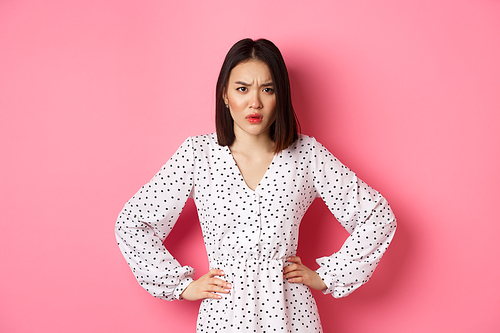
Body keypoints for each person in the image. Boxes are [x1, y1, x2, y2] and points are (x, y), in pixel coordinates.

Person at [115, 38, 397, 333]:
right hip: (223, 317)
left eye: (267, 89)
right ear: (225, 95)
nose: (255, 102)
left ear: (281, 96)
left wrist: (329, 276)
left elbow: (376, 215)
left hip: (292, 316)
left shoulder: (306, 155)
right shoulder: (198, 155)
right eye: (242, 88)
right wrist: (180, 285)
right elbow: (132, 223)